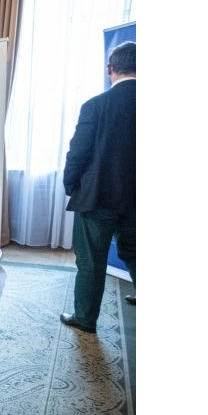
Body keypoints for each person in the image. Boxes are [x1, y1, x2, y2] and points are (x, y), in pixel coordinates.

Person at [60, 42, 136, 334]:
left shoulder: (96, 105)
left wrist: (71, 184)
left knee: (91, 259)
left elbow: (78, 152)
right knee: (137, 253)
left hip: (98, 196)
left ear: (110, 69)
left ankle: (85, 318)